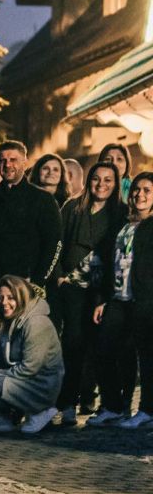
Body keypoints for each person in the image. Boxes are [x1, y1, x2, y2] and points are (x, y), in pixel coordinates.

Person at [55, 162, 124, 425]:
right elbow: (57, 242)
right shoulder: (73, 207)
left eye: (108, 180)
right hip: (72, 285)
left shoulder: (121, 213)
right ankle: (67, 404)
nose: (101, 184)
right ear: (88, 180)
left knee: (102, 346)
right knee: (73, 343)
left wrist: (107, 295)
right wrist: (59, 275)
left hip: (103, 289)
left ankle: (111, 405)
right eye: (96, 178)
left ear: (115, 184)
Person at [0, 140, 61, 335]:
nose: (7, 165)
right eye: (2, 160)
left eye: (13, 159)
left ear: (25, 162)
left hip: (27, 287)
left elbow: (54, 244)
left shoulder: (43, 199)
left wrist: (37, 281)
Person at [90, 171, 153, 428]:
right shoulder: (124, 225)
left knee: (146, 357)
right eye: (136, 189)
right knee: (104, 348)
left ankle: (147, 410)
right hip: (118, 298)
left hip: (145, 300)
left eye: (147, 190)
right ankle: (113, 407)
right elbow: (111, 264)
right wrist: (103, 299)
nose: (140, 194)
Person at [0, 276, 64, 435]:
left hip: (39, 386)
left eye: (10, 298)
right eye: (1, 298)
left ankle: (40, 411)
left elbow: (29, 369)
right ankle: (2, 416)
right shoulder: (12, 318)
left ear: (22, 297)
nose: (4, 302)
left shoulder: (36, 323)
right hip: (22, 376)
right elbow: (5, 357)